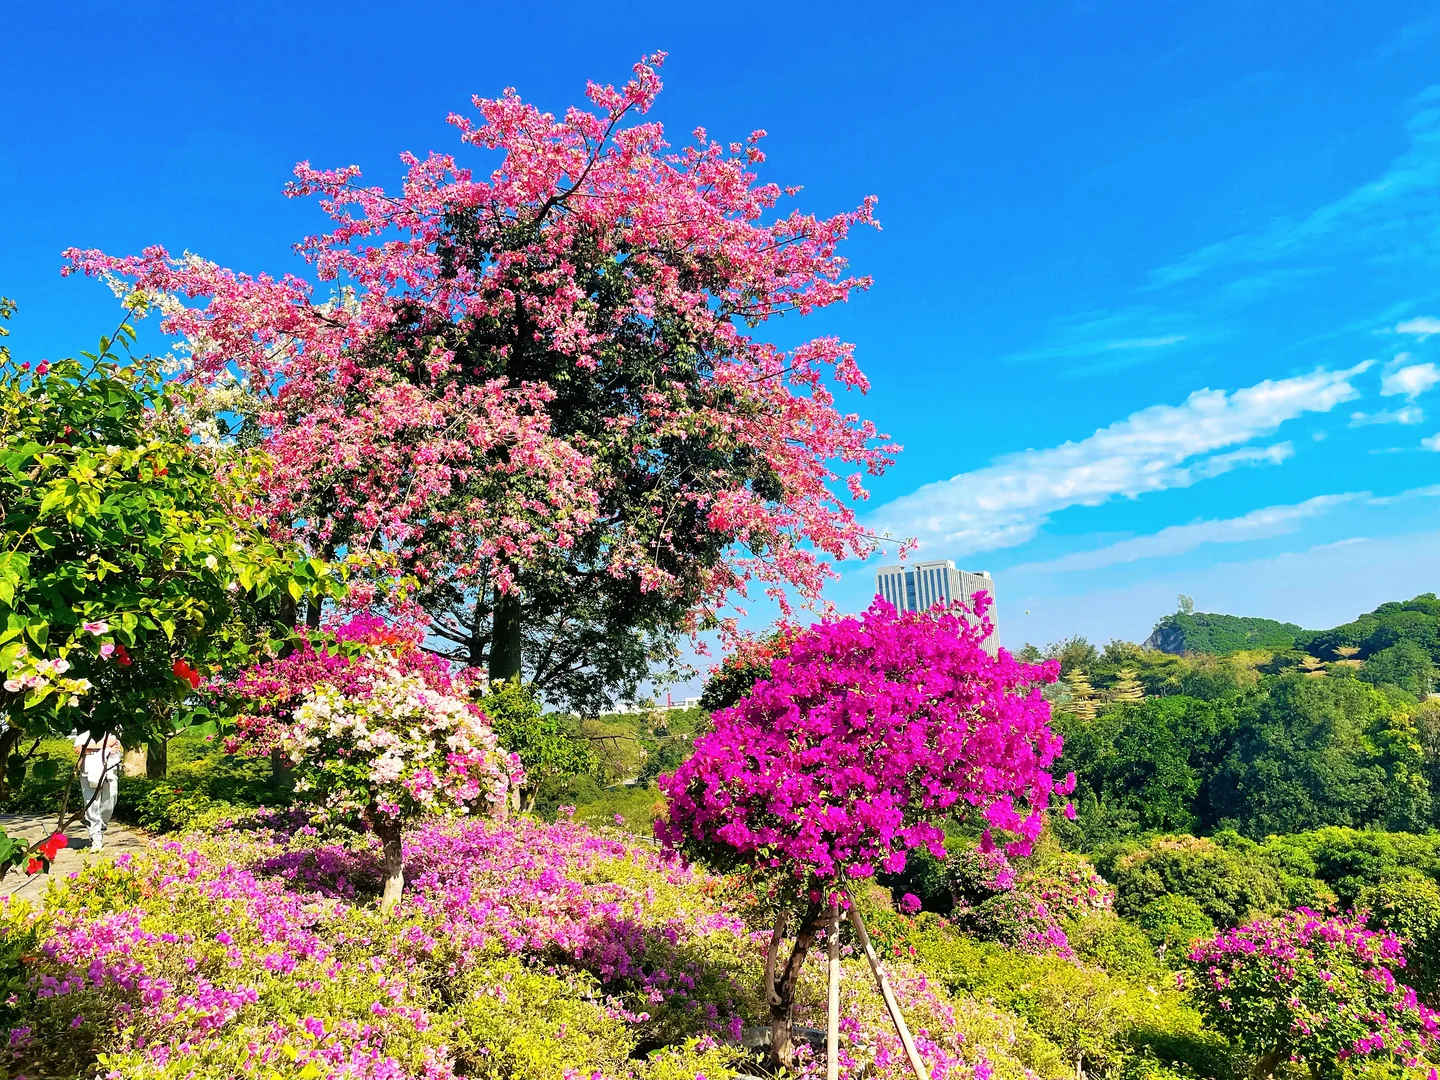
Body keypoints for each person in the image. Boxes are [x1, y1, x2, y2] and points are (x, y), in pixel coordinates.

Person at [71, 728, 122, 852]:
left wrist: (90, 747)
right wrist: (105, 747)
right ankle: (96, 836)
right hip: (88, 772)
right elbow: (79, 749)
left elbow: (112, 741)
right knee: (91, 805)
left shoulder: (112, 728)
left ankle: (101, 827)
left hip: (109, 770)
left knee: (110, 801)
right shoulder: (84, 731)